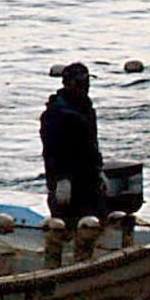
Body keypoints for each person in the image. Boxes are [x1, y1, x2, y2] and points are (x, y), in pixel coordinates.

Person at [40, 62, 106, 224]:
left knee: (95, 220)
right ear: (68, 83)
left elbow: (92, 145)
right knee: (67, 224)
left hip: (90, 179)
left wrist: (100, 170)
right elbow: (52, 150)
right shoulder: (55, 114)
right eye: (80, 83)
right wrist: (61, 180)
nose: (85, 87)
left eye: (87, 83)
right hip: (67, 182)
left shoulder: (86, 109)